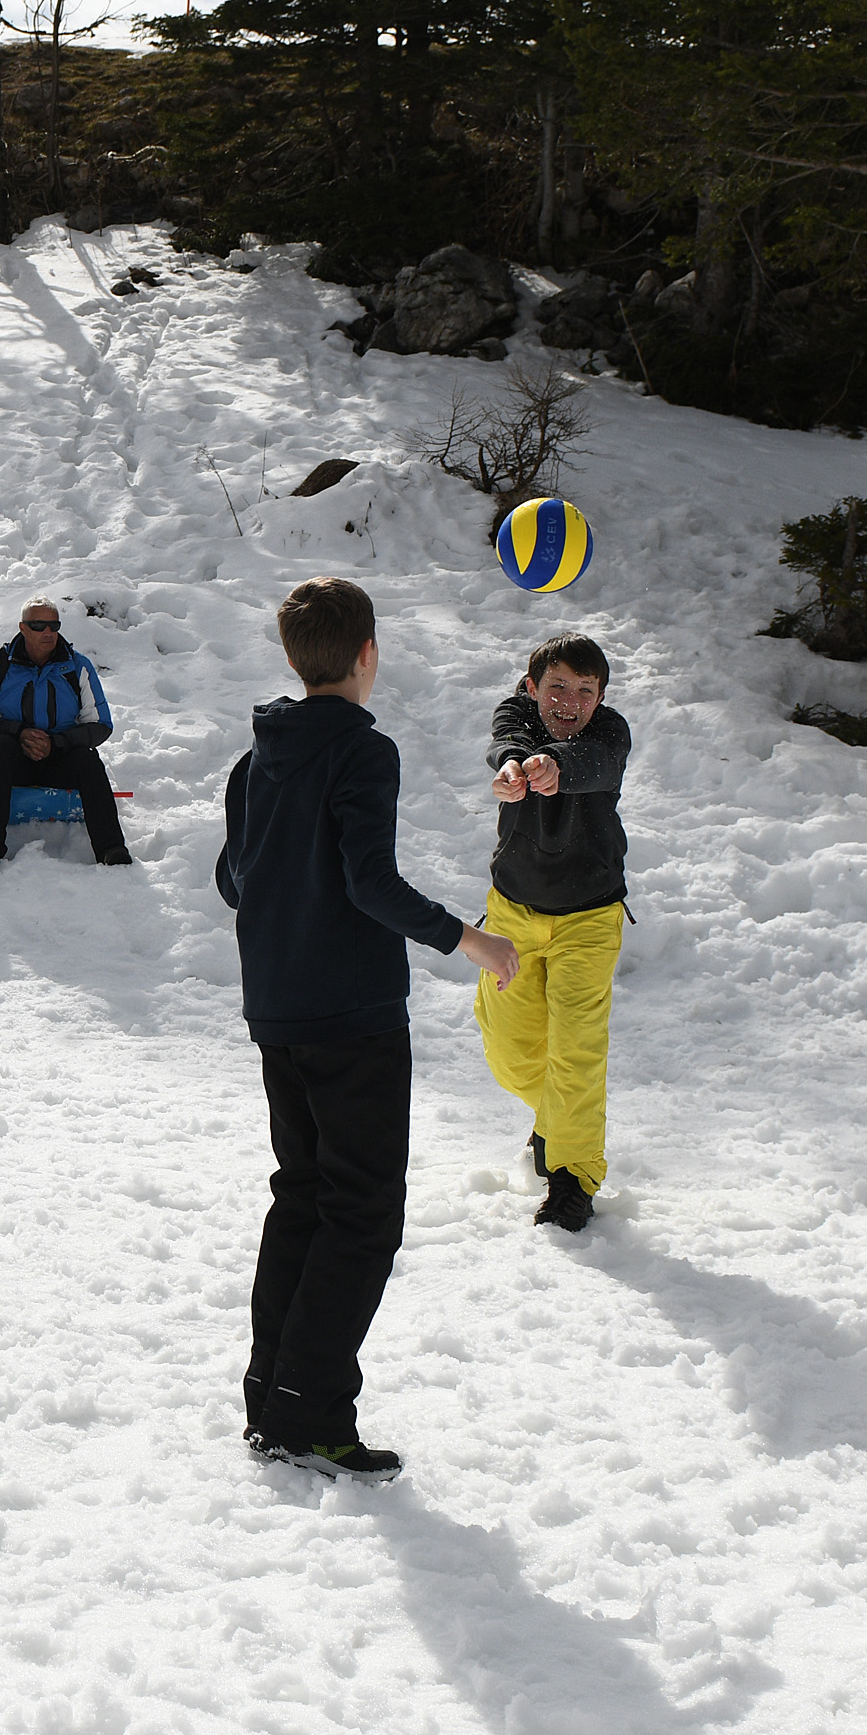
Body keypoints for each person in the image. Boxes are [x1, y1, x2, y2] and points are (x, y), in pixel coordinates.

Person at [217, 577, 523, 1481]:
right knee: (360, 1217)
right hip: (351, 1018)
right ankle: (310, 1415)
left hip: (278, 1012)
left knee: (304, 1197)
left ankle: (273, 1400)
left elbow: (235, 882)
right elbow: (367, 880)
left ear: (293, 657)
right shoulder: (362, 751)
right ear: (367, 657)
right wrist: (469, 938)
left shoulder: (253, 759)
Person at [477, 634, 634, 1234]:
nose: (569, 701)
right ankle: (555, 1122)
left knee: (576, 1049)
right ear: (532, 687)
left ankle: (572, 1179)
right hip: (514, 914)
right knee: (511, 1052)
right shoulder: (516, 715)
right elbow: (509, 740)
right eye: (557, 687)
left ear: (602, 699)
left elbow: (596, 764)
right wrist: (516, 765)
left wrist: (556, 767)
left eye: (585, 691)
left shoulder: (610, 734)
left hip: (590, 920)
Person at [0, 598, 130, 869]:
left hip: (62, 755)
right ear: (22, 628)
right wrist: (18, 733)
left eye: (54, 625)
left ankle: (112, 849)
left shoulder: (77, 666)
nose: (48, 632)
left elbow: (100, 724)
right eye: (39, 626)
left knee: (88, 759)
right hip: (15, 757)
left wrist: (58, 743)